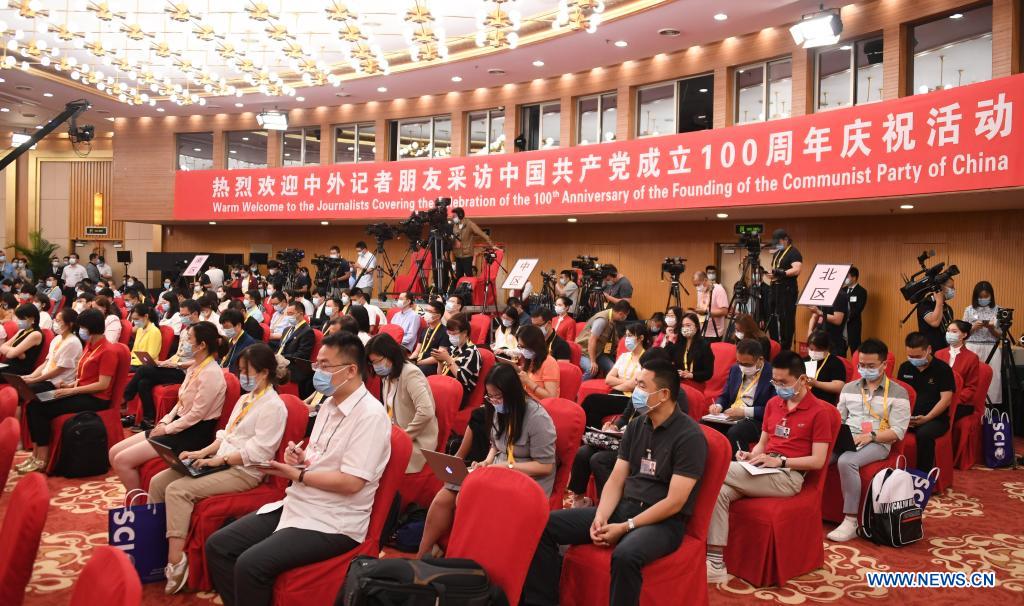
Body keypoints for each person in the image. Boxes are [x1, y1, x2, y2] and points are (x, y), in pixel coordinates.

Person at [205, 333, 390, 606]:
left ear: (352, 370)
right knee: (218, 546)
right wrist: (301, 458)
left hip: (334, 521)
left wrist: (298, 475)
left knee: (250, 564)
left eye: (326, 366)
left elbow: (352, 482)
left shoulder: (370, 416)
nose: (318, 372)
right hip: (301, 502)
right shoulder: (329, 404)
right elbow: (323, 457)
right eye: (318, 364)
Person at [524, 359, 706, 606]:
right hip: (625, 507)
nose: (635, 390)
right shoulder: (637, 425)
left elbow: (675, 502)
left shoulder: (689, 436)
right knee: (542, 525)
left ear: (663, 394)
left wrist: (626, 527)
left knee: (625, 556)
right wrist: (601, 515)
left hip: (663, 522)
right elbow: (616, 478)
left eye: (642, 385)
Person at [154, 344, 287, 594]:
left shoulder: (274, 406)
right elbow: (226, 435)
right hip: (220, 460)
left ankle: (176, 562)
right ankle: (155, 543)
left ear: (264, 372)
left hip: (244, 471)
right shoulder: (247, 398)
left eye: (247, 371)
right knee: (159, 482)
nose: (242, 377)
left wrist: (220, 461)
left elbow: (259, 453)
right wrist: (203, 452)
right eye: (241, 371)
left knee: (177, 491)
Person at [706, 351, 832, 582]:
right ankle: (715, 563)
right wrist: (749, 455)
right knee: (719, 492)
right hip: (762, 468)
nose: (778, 387)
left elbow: (818, 461)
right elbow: (762, 445)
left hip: (788, 476)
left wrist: (781, 461)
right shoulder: (774, 404)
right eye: (775, 381)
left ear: (802, 380)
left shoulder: (819, 412)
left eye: (783, 382)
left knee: (714, 469)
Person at [419, 364, 556, 558]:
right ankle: (423, 553)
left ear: (513, 393)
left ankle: (461, 557)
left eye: (498, 397)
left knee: (467, 497)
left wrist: (507, 467)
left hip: (528, 478)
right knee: (446, 493)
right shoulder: (496, 409)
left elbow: (545, 466)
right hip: (498, 468)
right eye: (490, 397)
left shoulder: (538, 418)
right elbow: (496, 443)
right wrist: (486, 461)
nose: (494, 401)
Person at [109, 322, 227, 494]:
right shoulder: (195, 366)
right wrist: (164, 421)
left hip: (192, 434)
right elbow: (180, 402)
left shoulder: (212, 374)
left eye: (189, 339)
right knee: (114, 452)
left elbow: (196, 415)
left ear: (202, 345)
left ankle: (141, 508)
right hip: (178, 425)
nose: (185, 342)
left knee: (122, 460)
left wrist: (167, 429)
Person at [827, 338, 911, 542]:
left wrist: (870, 436)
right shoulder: (849, 388)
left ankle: (850, 520)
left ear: (884, 364)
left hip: (877, 441)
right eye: (861, 365)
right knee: (820, 456)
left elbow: (898, 431)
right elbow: (839, 419)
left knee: (847, 461)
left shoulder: (899, 392)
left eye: (871, 366)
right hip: (849, 437)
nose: (865, 369)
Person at [19, 309, 119, 473]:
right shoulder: (90, 345)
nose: (80, 331)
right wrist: (70, 385)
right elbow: (86, 376)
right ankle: (35, 455)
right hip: (81, 391)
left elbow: (102, 384)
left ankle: (42, 459)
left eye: (83, 327)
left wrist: (72, 391)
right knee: (33, 402)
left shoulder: (108, 350)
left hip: (96, 398)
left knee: (40, 407)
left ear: (91, 327)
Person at [122, 300, 200, 431]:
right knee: (143, 383)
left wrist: (179, 365)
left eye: (184, 315)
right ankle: (149, 420)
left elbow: (201, 360)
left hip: (186, 372)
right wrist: (166, 362)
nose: (182, 318)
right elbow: (179, 354)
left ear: (195, 314)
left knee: (143, 369)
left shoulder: (202, 332)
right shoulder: (184, 331)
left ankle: (125, 397)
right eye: (180, 315)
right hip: (176, 366)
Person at [366, 332, 437, 472]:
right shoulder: (387, 375)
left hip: (416, 441)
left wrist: (404, 437)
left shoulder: (410, 374)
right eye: (372, 362)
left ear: (390, 356)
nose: (375, 366)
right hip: (394, 434)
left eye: (377, 361)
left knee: (373, 463)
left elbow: (426, 412)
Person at [708, 339, 776, 456]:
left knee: (736, 432)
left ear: (760, 359)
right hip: (731, 415)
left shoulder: (773, 373)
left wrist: (744, 412)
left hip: (756, 419)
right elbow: (725, 395)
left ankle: (738, 468)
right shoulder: (735, 369)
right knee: (704, 424)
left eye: (747, 364)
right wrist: (718, 405)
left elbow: (773, 408)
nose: (742, 367)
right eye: (739, 362)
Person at [899, 332, 956, 471]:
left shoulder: (943, 369)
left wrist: (927, 418)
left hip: (935, 419)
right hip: (908, 417)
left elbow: (946, 400)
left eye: (917, 356)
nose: (913, 360)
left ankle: (922, 476)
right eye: (910, 356)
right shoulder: (905, 367)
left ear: (928, 349)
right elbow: (899, 396)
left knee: (923, 435)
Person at [579, 323, 648, 428]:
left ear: (641, 338)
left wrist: (619, 383)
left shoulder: (646, 358)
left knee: (591, 400)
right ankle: (593, 436)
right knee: (594, 412)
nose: (626, 339)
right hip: (615, 393)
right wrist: (626, 382)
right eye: (625, 336)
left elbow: (633, 385)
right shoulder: (624, 356)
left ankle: (584, 435)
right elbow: (608, 379)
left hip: (629, 399)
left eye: (630, 336)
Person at [963, 281, 1003, 405]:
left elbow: (1000, 335)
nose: (983, 299)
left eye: (986, 297)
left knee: (994, 377)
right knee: (972, 376)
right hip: (972, 347)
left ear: (991, 296)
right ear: (976, 296)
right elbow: (963, 333)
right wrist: (974, 327)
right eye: (980, 297)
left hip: (992, 346)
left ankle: (992, 406)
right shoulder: (969, 309)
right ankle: (970, 403)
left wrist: (991, 328)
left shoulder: (998, 310)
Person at [432, 313, 482, 409]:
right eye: (449, 333)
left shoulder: (472, 352)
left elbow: (462, 378)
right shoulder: (452, 349)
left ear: (465, 333)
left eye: (454, 334)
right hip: (445, 388)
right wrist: (440, 362)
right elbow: (440, 376)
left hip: (459, 394)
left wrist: (448, 359)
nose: (451, 337)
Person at [935, 320, 980, 421]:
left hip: (959, 402)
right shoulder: (938, 354)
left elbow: (971, 387)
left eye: (954, 331)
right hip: (938, 399)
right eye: (948, 331)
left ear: (964, 334)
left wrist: (954, 400)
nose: (950, 334)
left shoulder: (972, 357)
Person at [766, 228, 803, 350]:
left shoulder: (794, 252)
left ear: (786, 239)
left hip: (787, 290)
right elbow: (777, 269)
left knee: (786, 319)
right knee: (772, 316)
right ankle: (775, 344)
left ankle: (785, 348)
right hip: (775, 288)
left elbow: (797, 269)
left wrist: (783, 273)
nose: (777, 244)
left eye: (779, 241)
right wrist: (774, 274)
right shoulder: (778, 252)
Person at [577, 300, 632, 380]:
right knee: (591, 370)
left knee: (613, 369)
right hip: (584, 352)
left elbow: (614, 339)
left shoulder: (612, 319)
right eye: (625, 315)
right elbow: (592, 340)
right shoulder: (602, 320)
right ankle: (576, 388)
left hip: (597, 352)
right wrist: (593, 361)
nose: (625, 318)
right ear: (620, 314)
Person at [666, 311, 714, 391]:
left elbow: (708, 373)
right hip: (679, 382)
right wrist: (671, 340)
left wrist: (691, 375)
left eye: (688, 325)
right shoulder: (679, 343)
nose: (685, 328)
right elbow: (665, 357)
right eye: (683, 326)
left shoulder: (704, 345)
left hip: (696, 384)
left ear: (696, 327)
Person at [277, 300, 314, 397]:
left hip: (294, 366)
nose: (288, 316)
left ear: (300, 314)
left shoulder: (307, 331)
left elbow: (302, 355)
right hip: (281, 363)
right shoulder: (287, 329)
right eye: (287, 313)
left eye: (291, 313)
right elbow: (281, 347)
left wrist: (283, 358)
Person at [514, 324, 561, 401]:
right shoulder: (529, 359)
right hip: (527, 401)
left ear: (536, 346)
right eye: (520, 346)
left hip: (541, 407)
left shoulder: (549, 362)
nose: (523, 351)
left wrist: (528, 382)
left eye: (525, 347)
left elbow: (551, 397)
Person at [804, 330, 847, 405]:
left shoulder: (835, 362)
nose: (814, 352)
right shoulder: (804, 360)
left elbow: (839, 386)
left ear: (827, 348)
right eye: (811, 349)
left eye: (818, 350)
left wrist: (816, 383)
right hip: (804, 400)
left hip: (824, 403)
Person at [451, 207, 494, 281]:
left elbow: (482, 234)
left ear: (460, 215)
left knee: (468, 275)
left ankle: (471, 292)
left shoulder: (469, 224)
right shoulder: (455, 226)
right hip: (458, 255)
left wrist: (491, 244)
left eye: (454, 216)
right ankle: (459, 292)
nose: (453, 218)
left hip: (467, 255)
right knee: (458, 277)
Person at [0, 303, 44, 375]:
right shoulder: (22, 331)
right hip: (8, 366)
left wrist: (14, 351)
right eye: (18, 318)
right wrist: (17, 351)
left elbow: (10, 354)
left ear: (32, 319)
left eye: (22, 318)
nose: (18, 321)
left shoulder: (36, 334)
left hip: (19, 371)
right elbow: (2, 347)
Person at [411, 300, 450, 376]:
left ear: (438, 316)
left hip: (432, 365)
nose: (426, 313)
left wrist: (418, 363)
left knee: (414, 373)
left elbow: (439, 357)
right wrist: (410, 360)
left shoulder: (445, 332)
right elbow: (416, 351)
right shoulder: (425, 330)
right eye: (426, 310)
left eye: (430, 311)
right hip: (419, 362)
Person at [917, 277, 955, 354]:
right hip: (929, 351)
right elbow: (935, 322)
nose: (953, 290)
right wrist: (939, 301)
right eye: (951, 287)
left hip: (945, 351)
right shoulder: (925, 304)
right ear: (940, 287)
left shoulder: (948, 308)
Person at [807, 286, 849, 356]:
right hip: (819, 338)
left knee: (833, 363)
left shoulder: (840, 295)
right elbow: (814, 316)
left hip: (834, 340)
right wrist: (810, 331)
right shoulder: (823, 292)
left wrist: (819, 312)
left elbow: (837, 320)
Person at [694, 271, 728, 341]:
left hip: (714, 333)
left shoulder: (718, 289)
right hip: (702, 331)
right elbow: (701, 307)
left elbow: (724, 311)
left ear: (705, 280)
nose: (697, 288)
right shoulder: (700, 291)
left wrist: (706, 312)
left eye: (698, 284)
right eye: (695, 286)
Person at [221, 309, 258, 375]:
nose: (225, 330)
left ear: (238, 325)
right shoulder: (230, 340)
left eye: (227, 327)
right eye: (223, 327)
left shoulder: (249, 343)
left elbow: (246, 369)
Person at [843, 267, 867, 353]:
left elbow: (858, 309)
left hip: (853, 325)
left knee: (855, 351)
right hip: (841, 326)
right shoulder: (843, 290)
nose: (845, 279)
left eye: (847, 276)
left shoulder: (861, 291)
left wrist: (846, 318)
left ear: (854, 277)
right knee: (841, 350)